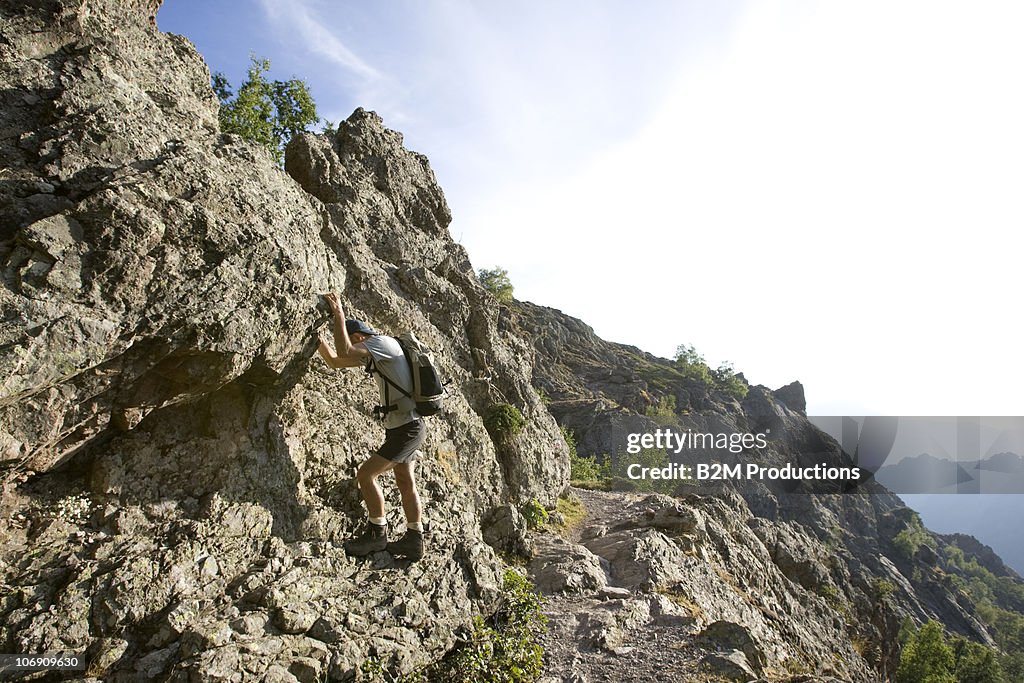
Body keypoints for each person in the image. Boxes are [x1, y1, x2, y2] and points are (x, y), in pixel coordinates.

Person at [316, 292, 426, 561]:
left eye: (353, 340)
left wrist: (338, 315)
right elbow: (335, 361)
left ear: (359, 337)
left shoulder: (381, 344)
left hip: (407, 428)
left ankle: (377, 534)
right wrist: (316, 339)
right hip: (405, 426)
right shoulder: (380, 352)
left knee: (366, 475)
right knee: (405, 480)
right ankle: (414, 540)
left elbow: (344, 351)